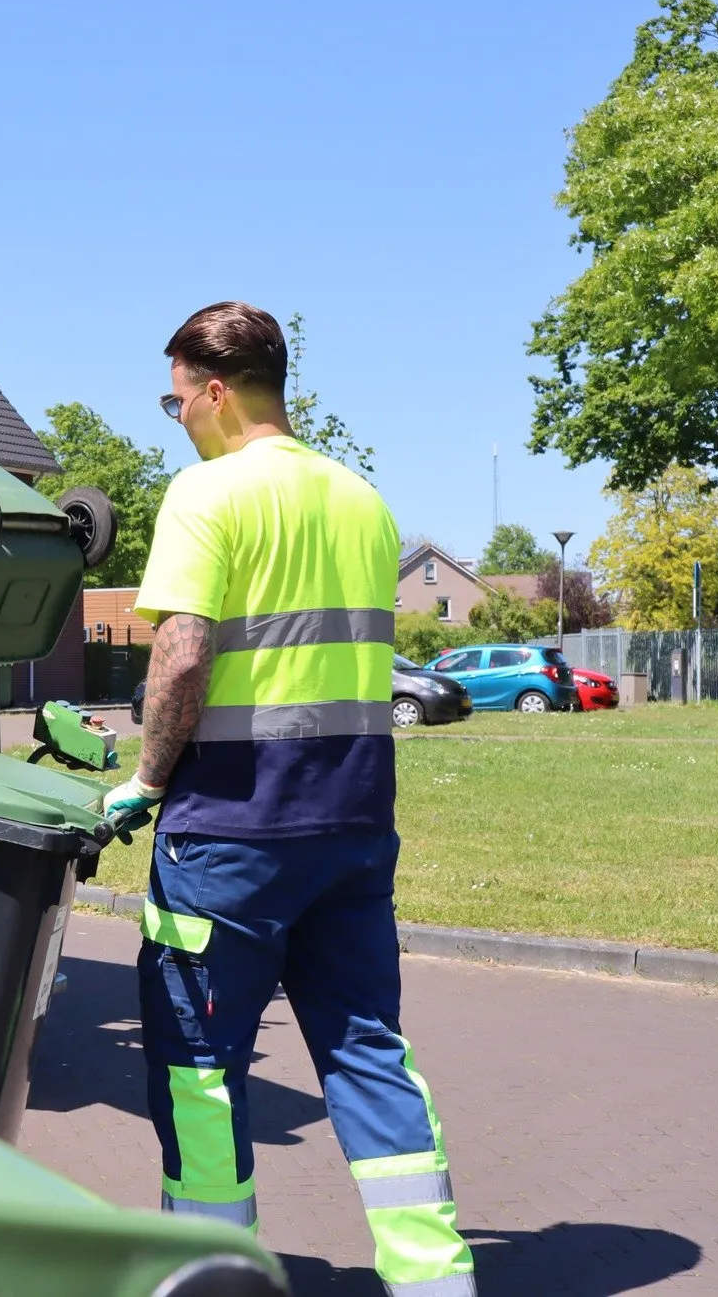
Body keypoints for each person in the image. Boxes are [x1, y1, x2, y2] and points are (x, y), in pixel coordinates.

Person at [100, 303, 476, 1296]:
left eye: (174, 398)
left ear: (215, 392)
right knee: (365, 1055)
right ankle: (433, 1278)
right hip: (351, 829)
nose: (174, 415)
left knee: (197, 1067)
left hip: (229, 833)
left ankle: (217, 1273)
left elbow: (182, 658)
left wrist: (142, 778)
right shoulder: (362, 501)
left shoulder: (205, 493)